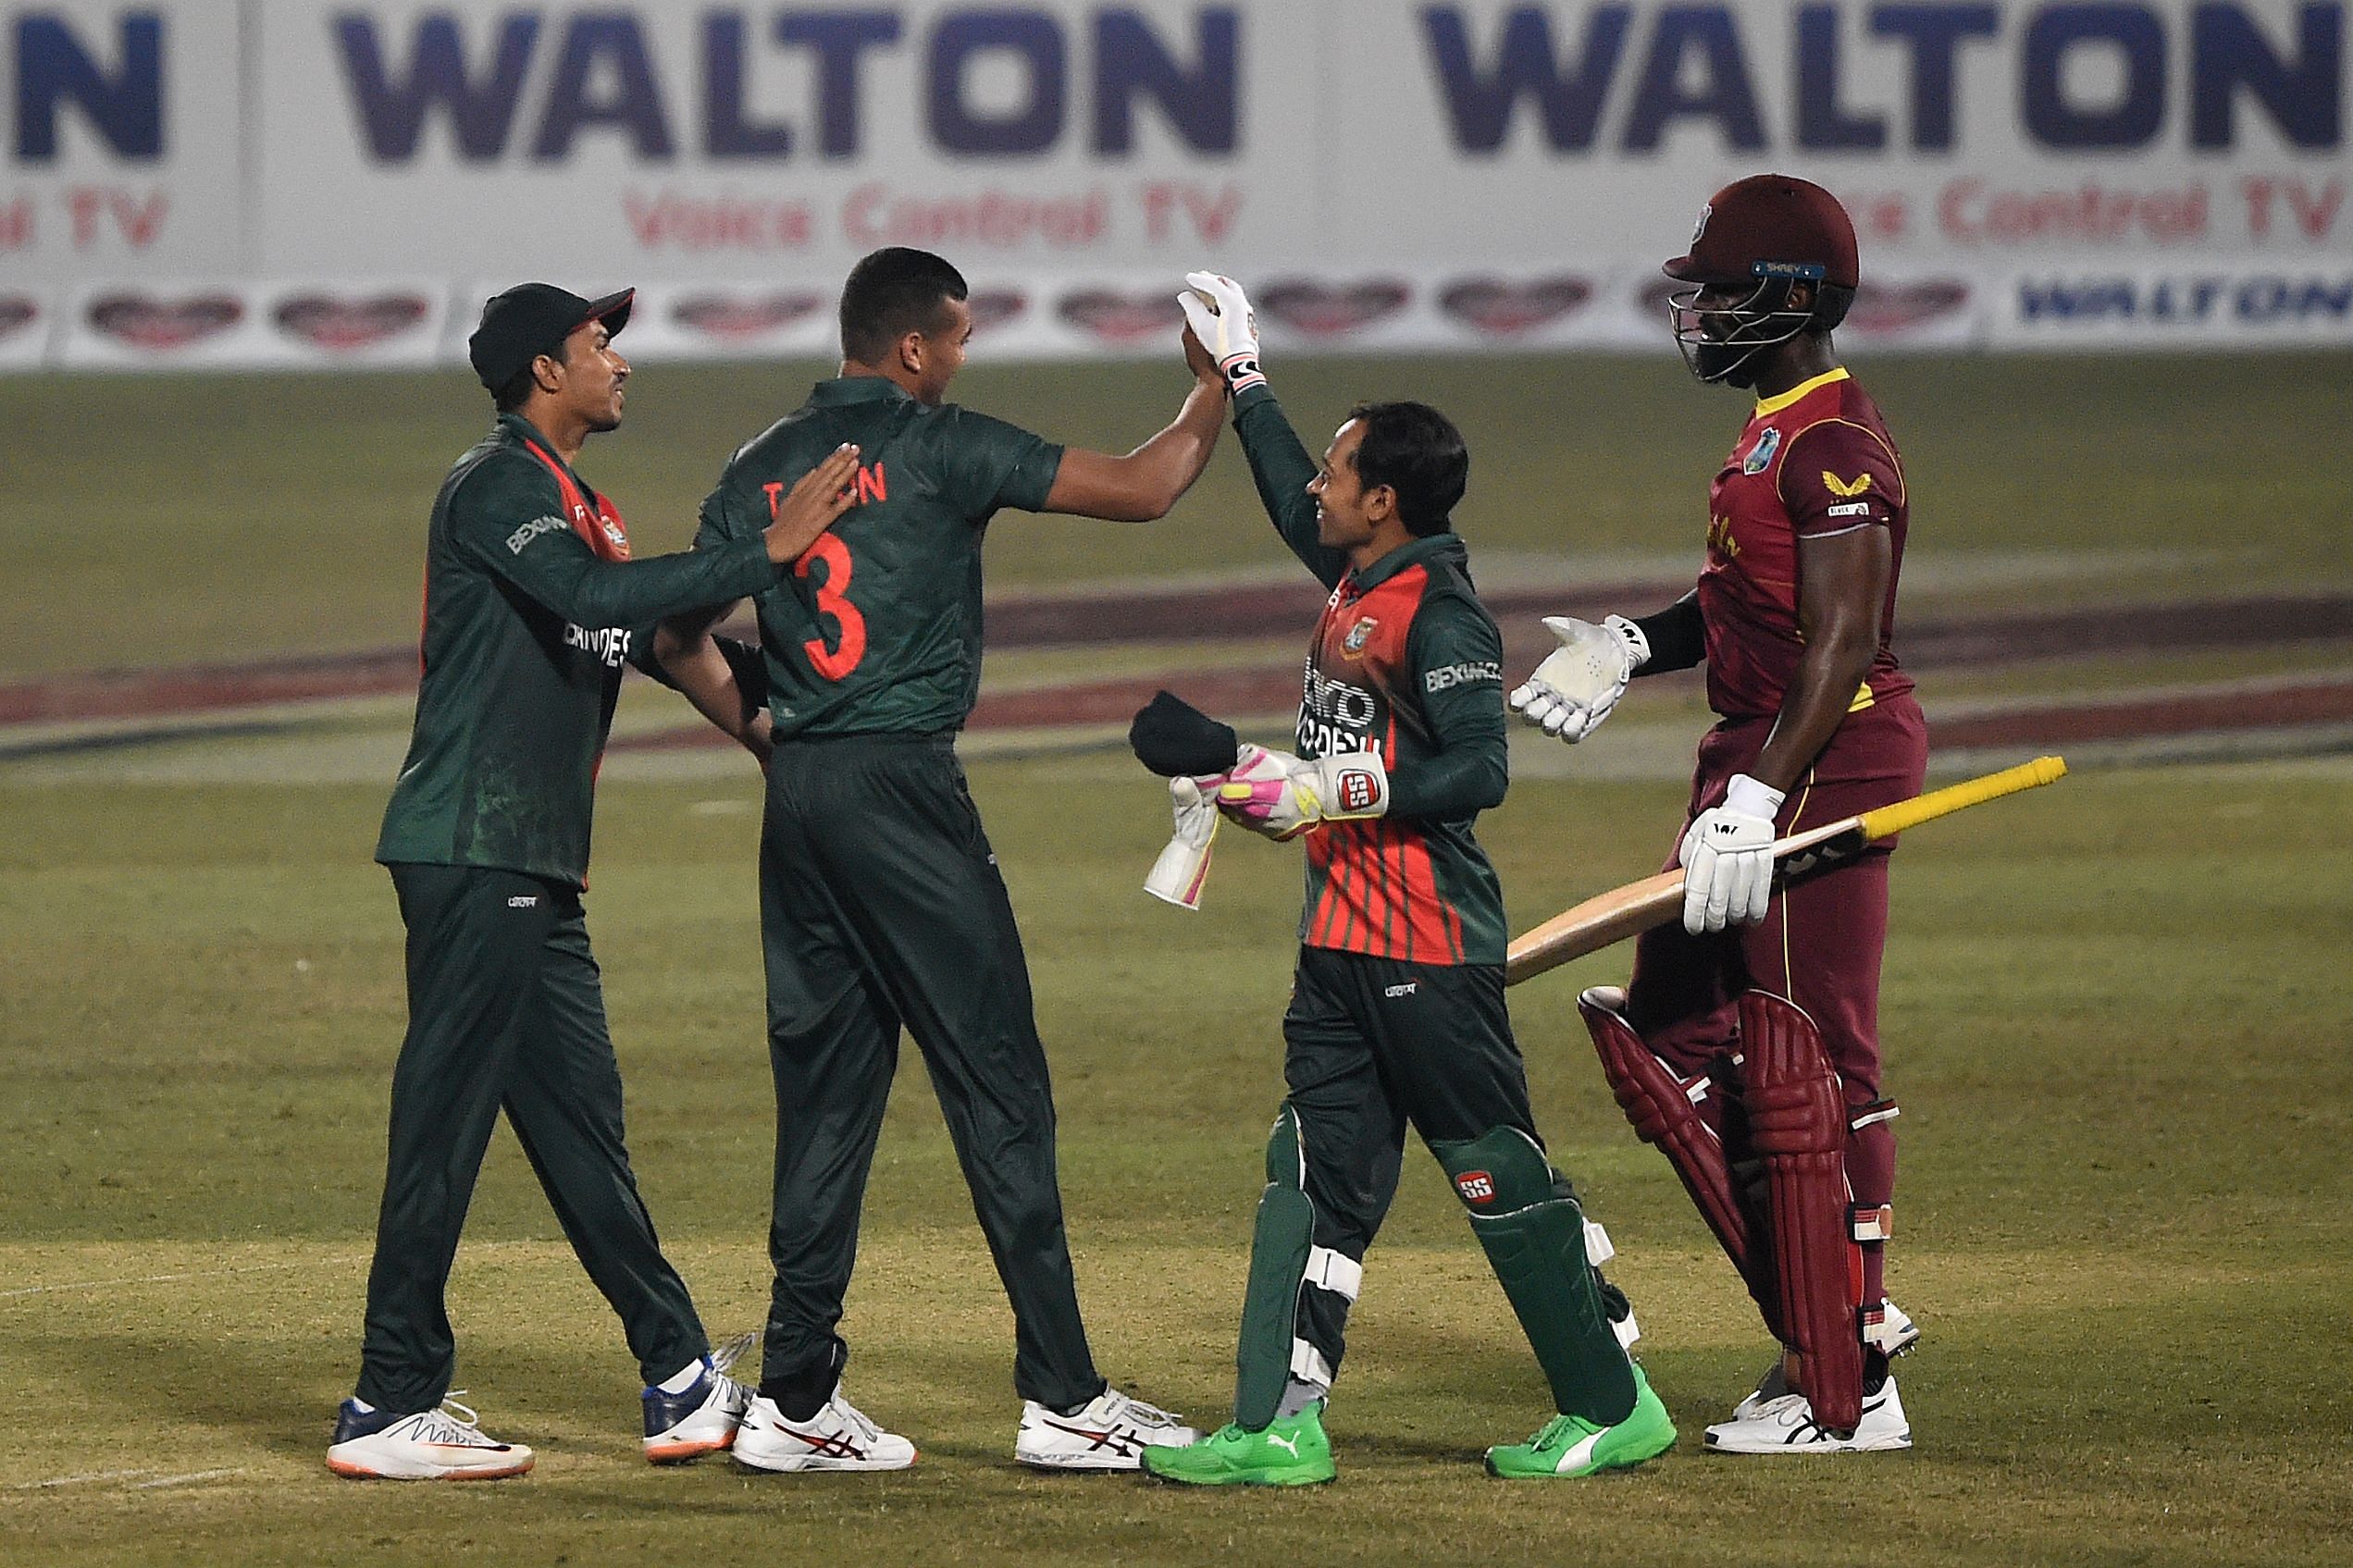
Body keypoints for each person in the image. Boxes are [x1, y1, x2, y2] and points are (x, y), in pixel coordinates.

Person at [652, 247, 1227, 1473]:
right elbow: (1143, 487)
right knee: (999, 1086)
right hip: (903, 791)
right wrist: (1219, 379)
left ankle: (794, 1399)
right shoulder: (942, 442)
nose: (964, 356)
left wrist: (767, 735)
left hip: (803, 796)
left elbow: (674, 633)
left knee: (828, 1102)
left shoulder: (757, 464)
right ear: (911, 348)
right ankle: (1067, 1400)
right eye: (957, 337)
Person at [1139, 273, 1676, 1487]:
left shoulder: (1439, 612)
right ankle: (1278, 1426)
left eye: (1337, 473)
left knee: (1493, 1168)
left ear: (1381, 501)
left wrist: (1327, 791)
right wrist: (1245, 375)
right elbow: (1285, 491)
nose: (1316, 487)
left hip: (1428, 945)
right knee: (1314, 1171)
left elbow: (1479, 771)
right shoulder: (1358, 576)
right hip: (1339, 940)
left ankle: (1611, 1401)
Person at [328, 283, 862, 1480]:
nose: (619, 362)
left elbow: (658, 637)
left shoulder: (587, 511)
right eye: (597, 345)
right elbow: (593, 601)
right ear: (542, 371)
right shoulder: (499, 487)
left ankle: (677, 1375)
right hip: (473, 848)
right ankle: (388, 1402)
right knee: (444, 1128)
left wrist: (785, 733)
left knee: (580, 1129)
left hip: (530, 860)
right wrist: (760, 550)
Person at [1507, 174, 1927, 1453]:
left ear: (1791, 300)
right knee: (1670, 1037)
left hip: (1822, 762)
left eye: (1724, 290)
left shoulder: (1834, 443)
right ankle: (1834, 1314)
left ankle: (1848, 1382)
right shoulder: (1768, 434)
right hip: (1753, 756)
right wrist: (1634, 641)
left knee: (1811, 1055)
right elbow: (1748, 613)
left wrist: (1759, 794)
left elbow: (1844, 641)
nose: (1700, 312)